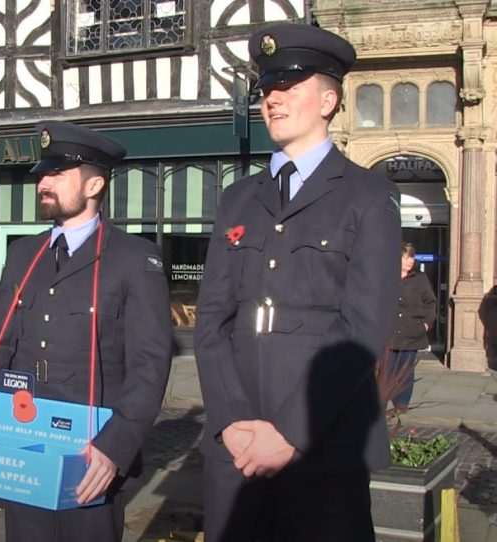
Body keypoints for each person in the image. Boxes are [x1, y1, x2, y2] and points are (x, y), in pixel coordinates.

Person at [195, 23, 402, 542]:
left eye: (289, 87)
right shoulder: (237, 199)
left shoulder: (368, 196)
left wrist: (289, 433)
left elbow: (364, 328)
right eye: (267, 90)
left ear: (329, 99)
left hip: (322, 444)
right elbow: (211, 320)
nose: (273, 100)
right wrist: (232, 421)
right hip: (236, 446)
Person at [0, 120, 172, 542]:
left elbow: (149, 364)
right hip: (21, 441)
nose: (44, 182)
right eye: (43, 173)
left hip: (90, 455)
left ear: (94, 186)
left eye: (58, 173)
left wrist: (115, 446)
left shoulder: (133, 258)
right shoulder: (23, 254)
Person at [387, 242, 436, 417]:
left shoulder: (419, 279)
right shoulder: (387, 277)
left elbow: (431, 302)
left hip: (411, 333)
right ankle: (384, 401)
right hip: (390, 333)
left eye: (412, 257)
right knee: (387, 371)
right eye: (406, 257)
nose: (410, 261)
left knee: (405, 371)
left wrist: (426, 324)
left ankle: (401, 405)